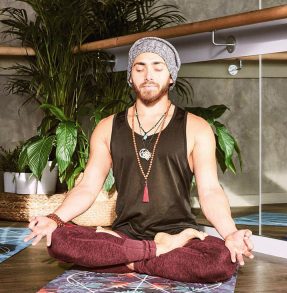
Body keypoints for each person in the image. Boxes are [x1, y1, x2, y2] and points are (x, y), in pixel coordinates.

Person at [24, 37, 254, 283]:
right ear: (130, 77)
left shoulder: (196, 128)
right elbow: (88, 186)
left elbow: (210, 191)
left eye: (158, 66)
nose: (148, 75)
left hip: (179, 235)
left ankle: (126, 260)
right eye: (139, 67)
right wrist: (55, 219)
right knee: (59, 240)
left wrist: (230, 233)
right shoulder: (107, 127)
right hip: (125, 235)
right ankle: (154, 254)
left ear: (171, 76)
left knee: (220, 260)